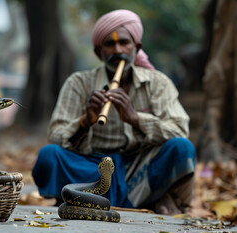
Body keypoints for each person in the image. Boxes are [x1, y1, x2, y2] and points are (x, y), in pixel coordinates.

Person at [32, 9, 196, 215]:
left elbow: (180, 129)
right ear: (99, 52)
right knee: (50, 155)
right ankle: (75, 197)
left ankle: (163, 197)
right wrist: (85, 122)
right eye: (109, 44)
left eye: (124, 43)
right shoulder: (78, 83)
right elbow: (56, 135)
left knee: (181, 148)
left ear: (136, 47)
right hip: (93, 165)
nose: (118, 50)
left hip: (139, 166)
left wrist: (136, 119)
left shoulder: (158, 82)